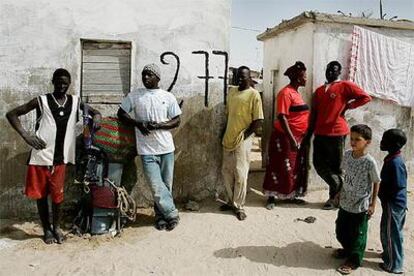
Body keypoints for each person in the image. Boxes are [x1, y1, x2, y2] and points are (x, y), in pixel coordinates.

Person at [6, 68, 101, 244]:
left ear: (70, 83)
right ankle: (46, 229)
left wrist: (97, 116)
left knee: (57, 196)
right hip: (41, 156)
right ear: (53, 81)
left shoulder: (75, 101)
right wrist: (26, 136)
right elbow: (12, 114)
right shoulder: (41, 101)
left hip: (61, 158)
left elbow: (94, 112)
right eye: (59, 82)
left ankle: (56, 227)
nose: (62, 86)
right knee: (41, 196)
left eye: (65, 83)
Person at [117, 63, 181, 231]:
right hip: (147, 150)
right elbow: (121, 113)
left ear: (157, 78)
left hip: (166, 148)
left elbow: (176, 120)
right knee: (156, 186)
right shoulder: (135, 96)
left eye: (149, 75)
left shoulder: (167, 97)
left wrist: (159, 125)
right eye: (144, 74)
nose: (145, 77)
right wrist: (138, 123)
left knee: (166, 186)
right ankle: (172, 214)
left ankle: (160, 217)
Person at [305, 61, 371, 210]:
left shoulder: (344, 85)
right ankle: (340, 188)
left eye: (334, 70)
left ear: (339, 72)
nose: (330, 72)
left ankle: (333, 199)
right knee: (318, 164)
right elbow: (313, 114)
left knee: (336, 167)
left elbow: (365, 97)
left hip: (337, 132)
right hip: (320, 133)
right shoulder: (319, 91)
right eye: (328, 69)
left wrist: (349, 105)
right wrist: (308, 135)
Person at [334, 124, 380, 275]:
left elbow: (376, 181)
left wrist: (373, 204)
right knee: (341, 230)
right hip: (345, 201)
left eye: (357, 139)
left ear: (368, 142)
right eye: (351, 138)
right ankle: (347, 250)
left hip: (361, 205)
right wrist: (339, 192)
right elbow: (344, 175)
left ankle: (354, 259)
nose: (353, 142)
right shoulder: (347, 155)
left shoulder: (369, 162)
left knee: (358, 234)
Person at [262, 61, 310, 209]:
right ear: (297, 78)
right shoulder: (285, 93)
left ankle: (289, 195)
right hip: (284, 138)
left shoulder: (296, 93)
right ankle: (271, 197)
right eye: (304, 76)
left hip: (297, 137)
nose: (306, 78)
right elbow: (282, 117)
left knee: (293, 167)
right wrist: (291, 139)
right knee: (277, 165)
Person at [221, 66, 264, 220]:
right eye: (237, 76)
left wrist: (244, 136)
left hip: (243, 140)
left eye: (243, 76)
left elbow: (258, 120)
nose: (239, 79)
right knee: (226, 171)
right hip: (228, 137)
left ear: (249, 78)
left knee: (241, 173)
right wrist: (225, 133)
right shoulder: (232, 92)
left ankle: (239, 206)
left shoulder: (254, 95)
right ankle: (230, 201)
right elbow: (229, 116)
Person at [378, 129, 408, 274]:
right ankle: (388, 255)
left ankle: (394, 265)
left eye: (385, 140)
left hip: (394, 205)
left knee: (392, 234)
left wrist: (384, 195)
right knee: (387, 230)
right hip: (391, 203)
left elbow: (398, 185)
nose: (381, 142)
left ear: (395, 144)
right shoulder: (392, 158)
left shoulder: (395, 162)